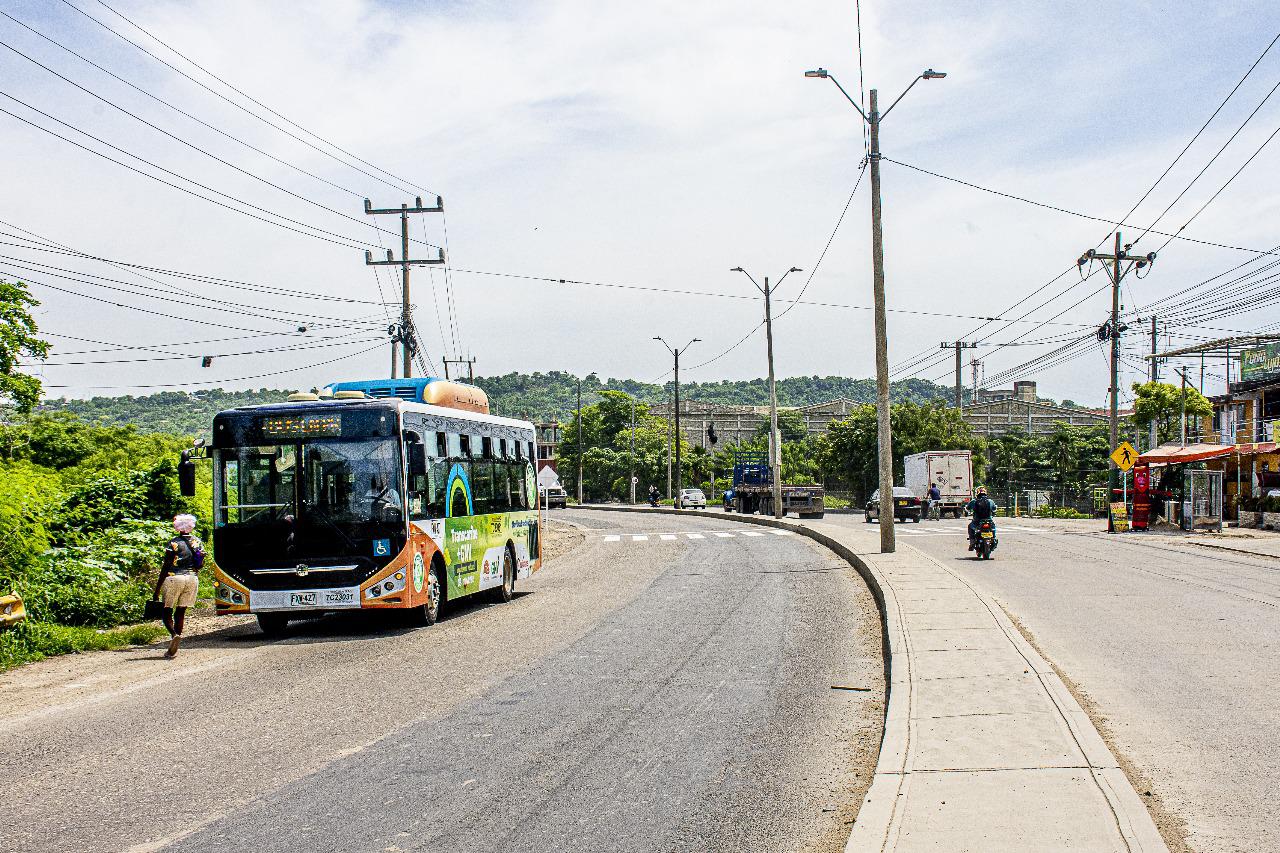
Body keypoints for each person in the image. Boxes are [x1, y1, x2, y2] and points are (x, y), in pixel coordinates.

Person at [154, 514, 204, 659]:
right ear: (191, 526)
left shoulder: (173, 543)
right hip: (192, 578)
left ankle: (174, 635)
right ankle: (177, 639)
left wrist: (157, 589)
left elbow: (166, 566)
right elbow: (200, 564)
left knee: (166, 610)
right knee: (181, 611)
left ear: (177, 527)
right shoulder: (197, 542)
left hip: (174, 577)